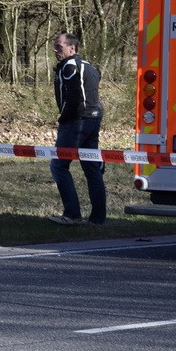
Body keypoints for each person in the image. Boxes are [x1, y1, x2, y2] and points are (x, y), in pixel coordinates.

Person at [47, 32, 105, 225]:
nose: (55, 50)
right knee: (91, 168)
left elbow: (73, 97)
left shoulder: (70, 66)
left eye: (59, 46)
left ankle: (72, 214)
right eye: (55, 46)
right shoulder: (89, 66)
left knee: (59, 166)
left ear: (72, 48)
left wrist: (63, 118)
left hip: (76, 120)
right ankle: (98, 218)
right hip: (93, 118)